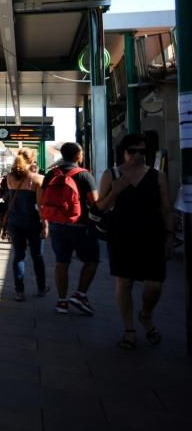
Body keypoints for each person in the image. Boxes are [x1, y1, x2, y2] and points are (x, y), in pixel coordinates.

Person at [93, 134, 173, 349]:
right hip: (122, 234)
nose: (137, 155)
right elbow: (100, 206)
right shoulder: (112, 174)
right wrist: (115, 192)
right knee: (124, 281)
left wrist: (169, 235)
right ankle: (129, 329)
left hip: (152, 234)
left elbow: (166, 207)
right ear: (123, 152)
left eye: (142, 151)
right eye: (132, 151)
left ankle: (145, 315)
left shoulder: (158, 176)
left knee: (154, 285)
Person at [39, 142, 99, 315]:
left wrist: (46, 222)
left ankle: (62, 301)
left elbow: (44, 198)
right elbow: (94, 202)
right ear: (78, 155)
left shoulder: (51, 174)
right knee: (91, 261)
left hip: (57, 224)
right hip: (81, 225)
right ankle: (80, 294)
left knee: (61, 262)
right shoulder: (84, 175)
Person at [3, 149, 49, 301]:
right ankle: (41, 287)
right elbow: (40, 205)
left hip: (15, 222)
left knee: (19, 255)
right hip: (33, 222)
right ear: (32, 161)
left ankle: (19, 291)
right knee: (37, 255)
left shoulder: (9, 177)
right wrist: (45, 224)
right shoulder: (38, 179)